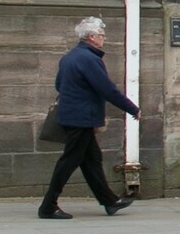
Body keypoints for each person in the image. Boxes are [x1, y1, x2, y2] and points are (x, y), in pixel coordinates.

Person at [39, 16, 139, 219]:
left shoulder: (70, 57)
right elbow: (107, 90)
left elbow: (60, 85)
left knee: (92, 159)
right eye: (102, 35)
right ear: (92, 37)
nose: (104, 39)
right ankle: (48, 206)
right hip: (82, 118)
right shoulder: (89, 59)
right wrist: (132, 108)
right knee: (69, 161)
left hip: (74, 116)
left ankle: (110, 201)